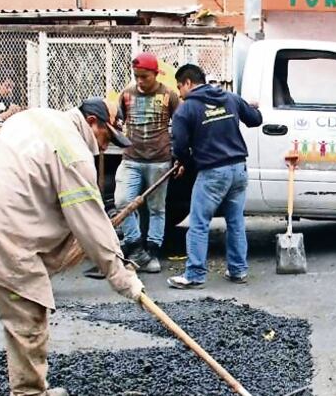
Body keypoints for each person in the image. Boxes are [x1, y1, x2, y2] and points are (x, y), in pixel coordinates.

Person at [0, 97, 143, 396]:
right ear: (93, 122)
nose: (104, 146)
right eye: (106, 137)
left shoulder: (36, 116)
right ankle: (29, 395)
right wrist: (122, 277)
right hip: (4, 232)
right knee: (27, 311)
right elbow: (90, 223)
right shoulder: (74, 153)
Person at [167, 64, 262, 289]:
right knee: (236, 221)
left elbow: (179, 147)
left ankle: (194, 275)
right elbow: (255, 119)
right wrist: (251, 107)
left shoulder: (186, 109)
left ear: (188, 83)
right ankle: (238, 271)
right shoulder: (230, 98)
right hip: (239, 169)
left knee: (199, 223)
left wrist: (189, 164)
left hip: (212, 172)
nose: (179, 92)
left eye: (179, 86)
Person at [111, 52, 180, 273]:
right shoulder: (126, 94)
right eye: (136, 76)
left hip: (159, 161)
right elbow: (117, 120)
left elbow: (179, 126)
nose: (140, 81)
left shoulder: (170, 95)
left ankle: (152, 252)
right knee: (122, 202)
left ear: (155, 74)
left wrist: (179, 157)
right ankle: (135, 248)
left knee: (157, 209)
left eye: (144, 76)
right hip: (131, 159)